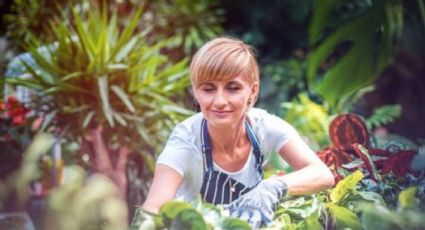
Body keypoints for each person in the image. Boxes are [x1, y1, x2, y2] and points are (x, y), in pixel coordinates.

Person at [141, 36, 334, 228]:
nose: (219, 101)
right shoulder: (185, 142)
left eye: (232, 88)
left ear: (252, 91)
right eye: (208, 89)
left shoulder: (264, 127)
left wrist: (271, 188)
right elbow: (152, 211)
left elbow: (322, 174)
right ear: (195, 91)